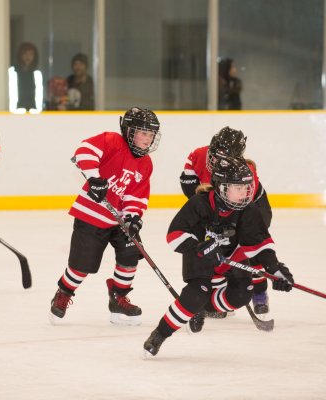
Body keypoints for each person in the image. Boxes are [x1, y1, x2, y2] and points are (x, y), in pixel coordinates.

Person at [143, 156, 294, 356]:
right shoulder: (200, 203)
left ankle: (204, 306)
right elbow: (175, 236)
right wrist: (201, 247)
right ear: (222, 187)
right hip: (200, 257)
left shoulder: (247, 210)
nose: (245, 193)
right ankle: (160, 334)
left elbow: (260, 244)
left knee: (242, 293)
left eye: (247, 188)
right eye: (238, 188)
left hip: (229, 259)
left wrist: (275, 271)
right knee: (196, 294)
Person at [50, 107, 161, 325]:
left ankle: (118, 298)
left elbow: (136, 195)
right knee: (81, 266)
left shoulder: (146, 163)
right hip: (91, 215)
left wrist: (132, 217)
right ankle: (64, 292)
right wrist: (94, 178)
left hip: (118, 220)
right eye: (143, 133)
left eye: (151, 134)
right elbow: (84, 151)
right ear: (128, 131)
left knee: (130, 255)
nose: (148, 139)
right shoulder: (112, 141)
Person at [179, 126, 272, 315]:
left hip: (252, 209)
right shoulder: (198, 155)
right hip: (218, 210)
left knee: (249, 250)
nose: (216, 162)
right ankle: (216, 292)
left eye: (224, 159)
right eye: (214, 156)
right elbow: (189, 185)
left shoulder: (245, 172)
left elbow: (244, 210)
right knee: (209, 249)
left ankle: (259, 291)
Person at [8, 42, 43, 113]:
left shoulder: (36, 74)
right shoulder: (13, 72)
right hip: (16, 111)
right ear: (20, 55)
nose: (28, 57)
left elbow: (39, 93)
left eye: (31, 54)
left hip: (33, 111)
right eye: (25, 54)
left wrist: (37, 109)